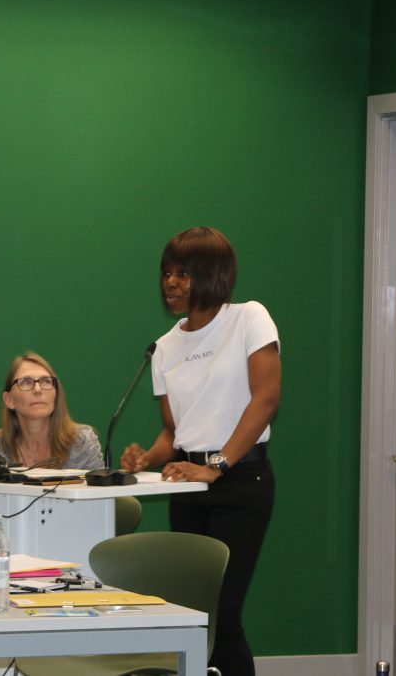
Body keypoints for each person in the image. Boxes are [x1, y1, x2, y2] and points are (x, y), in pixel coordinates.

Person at [121, 226, 280, 676]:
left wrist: (217, 464)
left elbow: (266, 399)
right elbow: (174, 430)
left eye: (184, 274)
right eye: (167, 273)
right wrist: (147, 459)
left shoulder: (249, 318)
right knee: (192, 620)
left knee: (223, 619)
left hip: (241, 484)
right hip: (190, 490)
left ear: (213, 275)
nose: (170, 283)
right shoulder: (165, 347)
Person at [0, 352, 104, 470]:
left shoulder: (81, 442)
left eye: (46, 381)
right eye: (26, 382)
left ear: (56, 394)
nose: (37, 389)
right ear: (9, 400)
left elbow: (99, 493)